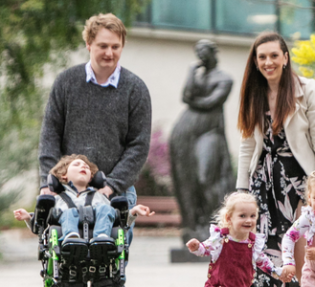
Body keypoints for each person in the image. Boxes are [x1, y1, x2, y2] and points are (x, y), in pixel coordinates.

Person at [38, 13, 151, 252]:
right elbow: (50, 135)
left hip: (116, 194)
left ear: (123, 46)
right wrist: (48, 183)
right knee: (67, 266)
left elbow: (138, 146)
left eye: (115, 46)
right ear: (88, 44)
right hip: (68, 195)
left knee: (109, 271)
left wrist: (110, 186)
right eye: (102, 46)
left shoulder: (136, 89)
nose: (109, 53)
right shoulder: (66, 82)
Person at [236, 32, 315, 287]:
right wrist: (241, 191)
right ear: (256, 62)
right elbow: (246, 146)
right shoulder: (252, 94)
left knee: (301, 258)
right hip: (262, 185)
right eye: (262, 57)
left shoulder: (307, 90)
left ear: (286, 58)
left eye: (274, 56)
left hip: (299, 184)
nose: (268, 62)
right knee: (264, 255)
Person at [170, 39, 235, 243]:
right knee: (187, 178)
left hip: (210, 133)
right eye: (197, 52)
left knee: (205, 178)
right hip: (187, 135)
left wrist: (193, 101)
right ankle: (194, 224)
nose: (200, 56)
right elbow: (186, 96)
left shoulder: (225, 78)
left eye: (203, 51)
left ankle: (214, 223)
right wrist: (191, 72)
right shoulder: (197, 77)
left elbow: (210, 102)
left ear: (213, 52)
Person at [14, 154, 154, 244]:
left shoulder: (99, 197)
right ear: (64, 175)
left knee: (106, 209)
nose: (83, 166)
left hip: (98, 238)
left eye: (86, 167)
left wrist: (133, 212)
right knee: (68, 212)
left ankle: (101, 239)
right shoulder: (59, 198)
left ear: (91, 177)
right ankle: (71, 237)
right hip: (67, 242)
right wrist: (28, 217)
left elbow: (118, 221)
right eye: (77, 165)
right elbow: (42, 224)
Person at [186, 192, 294, 287]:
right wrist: (197, 247)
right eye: (242, 216)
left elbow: (263, 262)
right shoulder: (221, 238)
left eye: (252, 216)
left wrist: (278, 273)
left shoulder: (253, 243)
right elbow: (206, 249)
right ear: (229, 218)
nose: (248, 220)